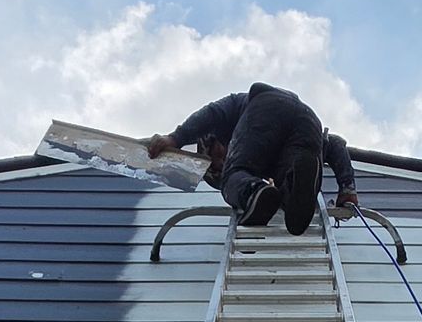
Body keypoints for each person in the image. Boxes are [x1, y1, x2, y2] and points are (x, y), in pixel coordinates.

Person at [147, 83, 359, 232]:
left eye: (216, 155)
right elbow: (337, 144)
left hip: (265, 104)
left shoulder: (235, 108)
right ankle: (295, 187)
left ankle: (253, 192)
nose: (222, 162)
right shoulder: (264, 153)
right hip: (310, 121)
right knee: (289, 186)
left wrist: (176, 138)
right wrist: (347, 190)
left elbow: (212, 113)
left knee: (234, 177)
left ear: (212, 140)